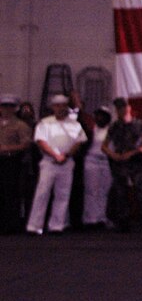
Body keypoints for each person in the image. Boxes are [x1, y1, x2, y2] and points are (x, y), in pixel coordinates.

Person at [26, 94, 86, 234]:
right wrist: (55, 155)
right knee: (42, 193)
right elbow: (41, 141)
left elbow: (79, 142)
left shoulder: (75, 124)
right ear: (53, 107)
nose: (60, 108)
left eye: (63, 105)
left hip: (67, 162)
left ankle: (57, 225)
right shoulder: (45, 123)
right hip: (49, 162)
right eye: (57, 105)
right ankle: (34, 226)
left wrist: (66, 155)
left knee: (62, 194)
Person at [102, 97, 142, 233]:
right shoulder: (114, 126)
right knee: (120, 193)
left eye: (123, 107)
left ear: (129, 108)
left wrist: (132, 153)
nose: (121, 111)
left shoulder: (140, 124)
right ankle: (123, 222)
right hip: (120, 162)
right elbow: (104, 146)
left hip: (136, 161)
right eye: (119, 108)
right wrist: (114, 155)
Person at [0, 94, 33, 233]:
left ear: (15, 109)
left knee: (10, 193)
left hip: (11, 161)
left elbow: (26, 144)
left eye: (10, 106)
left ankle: (10, 224)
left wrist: (7, 149)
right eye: (4, 106)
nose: (6, 109)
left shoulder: (20, 125)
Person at [81, 106, 113, 229]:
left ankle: (101, 217)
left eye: (103, 116)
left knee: (104, 191)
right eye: (98, 115)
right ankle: (90, 218)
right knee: (91, 190)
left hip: (106, 162)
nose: (100, 118)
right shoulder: (91, 129)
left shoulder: (111, 130)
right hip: (91, 160)